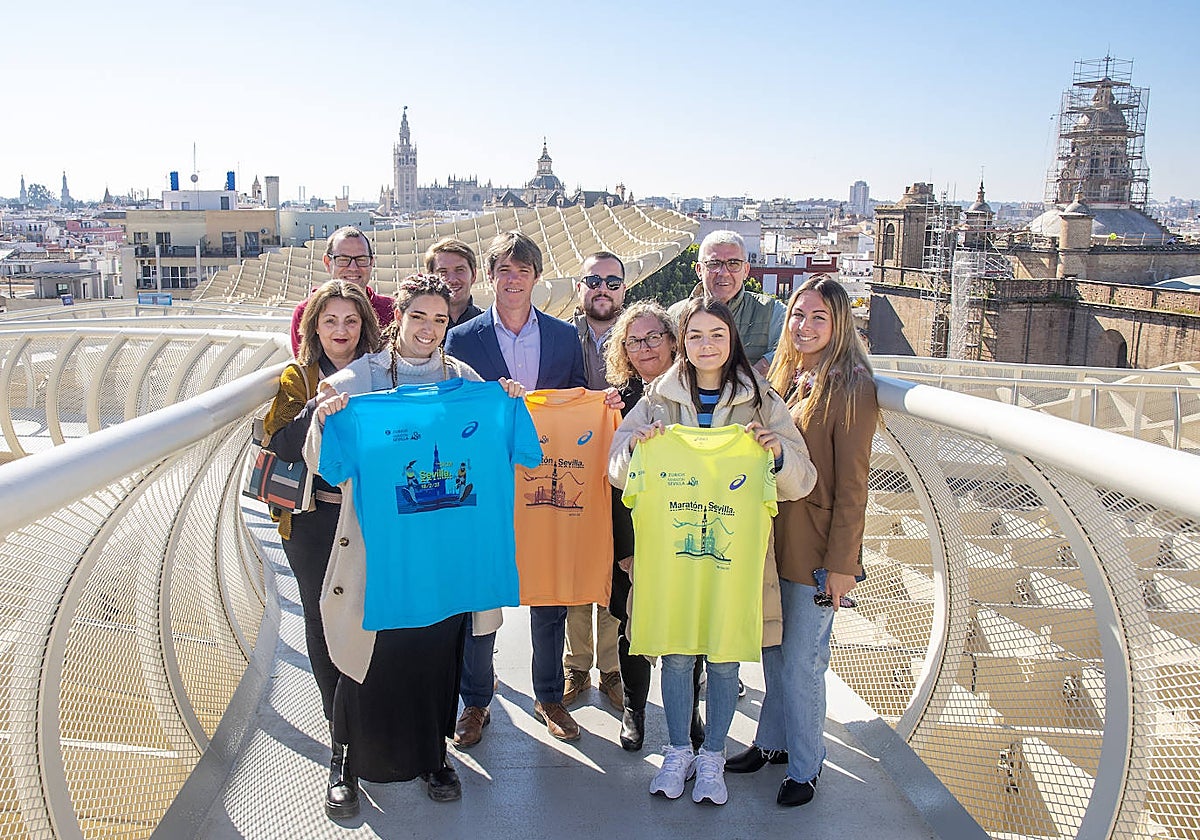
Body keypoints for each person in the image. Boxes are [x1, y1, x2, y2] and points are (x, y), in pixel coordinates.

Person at [305, 275, 527, 816]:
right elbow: (322, 463)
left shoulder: (465, 379)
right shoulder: (360, 379)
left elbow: (514, 448)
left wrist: (509, 400)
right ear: (398, 319)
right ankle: (344, 761)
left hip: (446, 558)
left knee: (435, 655)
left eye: (440, 320)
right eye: (419, 317)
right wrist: (325, 416)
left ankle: (434, 756)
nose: (429, 329)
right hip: (381, 552)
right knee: (367, 659)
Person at [609, 297, 816, 806]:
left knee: (725, 660)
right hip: (674, 557)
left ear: (731, 342)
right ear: (684, 343)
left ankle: (713, 757)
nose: (706, 345)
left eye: (716, 335)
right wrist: (638, 448)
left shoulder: (760, 399)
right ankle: (678, 750)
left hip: (732, 559)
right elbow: (615, 466)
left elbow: (802, 480)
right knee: (677, 656)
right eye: (696, 335)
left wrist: (777, 453)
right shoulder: (658, 398)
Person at [727, 276, 878, 808]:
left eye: (819, 317)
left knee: (804, 663)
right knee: (774, 648)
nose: (805, 326)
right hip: (774, 539)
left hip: (815, 551)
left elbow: (855, 486)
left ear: (839, 325)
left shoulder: (852, 386)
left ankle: (806, 766)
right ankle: (771, 743)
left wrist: (843, 565)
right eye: (798, 315)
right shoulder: (790, 377)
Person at [444, 231, 587, 745]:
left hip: (545, 479)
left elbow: (577, 404)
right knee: (481, 593)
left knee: (547, 593)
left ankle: (548, 695)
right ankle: (476, 702)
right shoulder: (461, 340)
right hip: (485, 484)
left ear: (536, 278)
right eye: (504, 270)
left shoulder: (565, 338)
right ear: (490, 277)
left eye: (522, 271)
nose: (513, 280)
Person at [262, 280, 382, 816]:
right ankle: (343, 747)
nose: (340, 331)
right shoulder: (298, 377)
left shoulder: (383, 374)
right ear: (314, 327)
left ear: (365, 326)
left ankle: (369, 727)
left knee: (368, 618)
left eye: (350, 321)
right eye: (329, 321)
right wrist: (319, 405)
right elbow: (280, 442)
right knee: (321, 620)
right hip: (313, 520)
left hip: (368, 516)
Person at [563, 251, 627, 711]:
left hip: (624, 472)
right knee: (573, 567)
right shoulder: (561, 338)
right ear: (579, 287)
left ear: (623, 288)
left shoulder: (639, 335)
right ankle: (576, 665)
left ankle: (612, 668)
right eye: (593, 280)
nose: (602, 288)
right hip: (570, 467)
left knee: (614, 566)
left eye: (612, 281)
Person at [668, 230, 785, 370]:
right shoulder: (675, 315)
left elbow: (791, 350)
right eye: (714, 264)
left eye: (733, 263)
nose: (723, 272)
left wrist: (756, 374)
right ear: (699, 270)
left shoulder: (772, 311)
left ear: (746, 270)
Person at [290, 226, 395, 355]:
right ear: (327, 262)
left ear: (371, 262)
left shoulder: (391, 310)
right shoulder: (306, 312)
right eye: (343, 260)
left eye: (361, 259)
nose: (353, 267)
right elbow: (305, 363)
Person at [424, 236, 483, 327]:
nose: (452, 280)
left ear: (474, 274)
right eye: (443, 272)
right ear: (430, 278)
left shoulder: (491, 326)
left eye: (459, 270)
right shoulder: (420, 328)